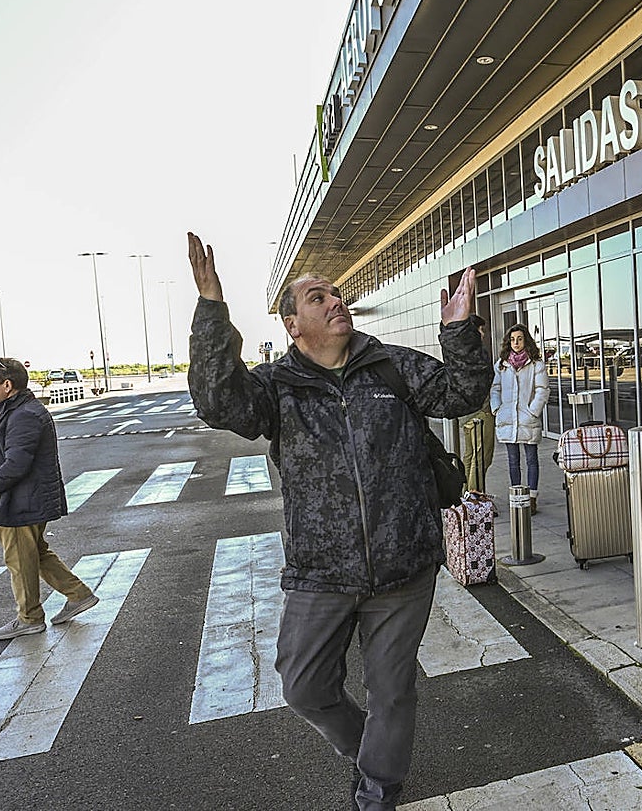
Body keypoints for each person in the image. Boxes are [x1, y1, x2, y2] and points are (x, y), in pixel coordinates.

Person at [186, 232, 491, 811]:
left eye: (336, 293)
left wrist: (457, 332)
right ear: (293, 326)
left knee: (392, 691)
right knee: (304, 687)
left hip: (403, 565)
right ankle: (368, 752)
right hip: (320, 570)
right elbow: (217, 403)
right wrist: (211, 310)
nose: (335, 301)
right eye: (318, 298)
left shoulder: (391, 366)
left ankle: (378, 789)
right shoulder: (276, 387)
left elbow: (462, 394)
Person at [0, 358, 99, 641]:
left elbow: (16, 464)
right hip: (26, 498)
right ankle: (79, 594)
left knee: (19, 559)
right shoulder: (19, 410)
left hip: (20, 501)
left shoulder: (23, 414)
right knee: (36, 553)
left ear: (7, 385)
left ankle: (29, 618)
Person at [490, 324, 549, 512]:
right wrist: (497, 408)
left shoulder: (536, 364)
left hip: (527, 418)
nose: (516, 343)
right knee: (512, 460)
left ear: (526, 340)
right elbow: (495, 389)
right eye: (513, 339)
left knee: (531, 459)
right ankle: (517, 497)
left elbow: (542, 390)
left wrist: (533, 411)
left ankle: (532, 498)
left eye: (520, 339)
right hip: (508, 418)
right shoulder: (501, 364)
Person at [457, 316, 495, 493]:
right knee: (482, 458)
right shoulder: (476, 352)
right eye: (480, 329)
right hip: (480, 411)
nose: (482, 333)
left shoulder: (459, 351)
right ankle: (475, 498)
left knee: (470, 455)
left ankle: (465, 494)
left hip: (465, 413)